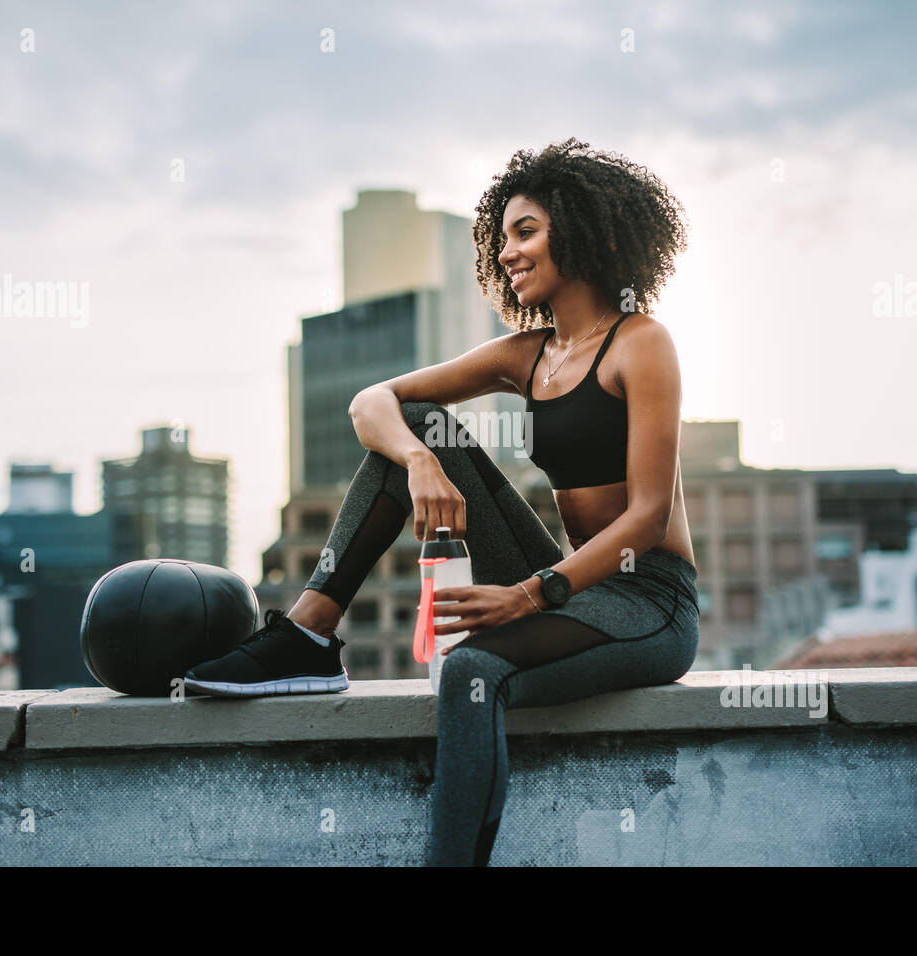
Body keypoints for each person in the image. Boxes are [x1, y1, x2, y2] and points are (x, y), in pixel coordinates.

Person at [185, 137, 699, 866]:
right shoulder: (527, 356)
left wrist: (530, 594)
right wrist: (421, 458)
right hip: (569, 586)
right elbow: (374, 402)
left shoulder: (640, 343)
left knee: (469, 672)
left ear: (584, 231)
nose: (509, 252)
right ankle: (308, 633)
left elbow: (646, 517)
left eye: (527, 232)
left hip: (649, 601)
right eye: (503, 238)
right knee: (413, 426)